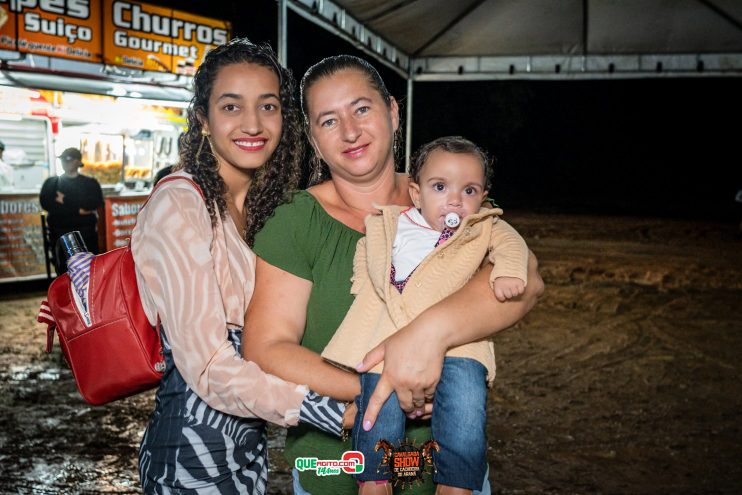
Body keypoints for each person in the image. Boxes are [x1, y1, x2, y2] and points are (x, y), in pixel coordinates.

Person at [243, 54, 543, 494]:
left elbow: (526, 280)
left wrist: (428, 335)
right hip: (336, 468)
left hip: (447, 469)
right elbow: (266, 346)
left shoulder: (446, 196)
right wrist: (382, 386)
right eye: (328, 120)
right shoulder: (296, 221)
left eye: (361, 109)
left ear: (393, 111)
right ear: (312, 137)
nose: (349, 131)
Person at [130, 38, 351, 494]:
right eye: (232, 107)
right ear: (203, 121)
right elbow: (210, 366)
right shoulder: (180, 204)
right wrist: (328, 406)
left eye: (267, 106)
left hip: (246, 450)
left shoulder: (258, 206)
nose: (253, 124)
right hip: (190, 458)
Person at [321, 136, 529, 494]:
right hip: (391, 331)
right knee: (375, 403)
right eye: (440, 187)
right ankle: (373, 479)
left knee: (465, 410)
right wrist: (361, 285)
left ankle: (457, 483)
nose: (454, 200)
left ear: (482, 196)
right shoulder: (394, 224)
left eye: (469, 190)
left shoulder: (482, 227)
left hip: (459, 342)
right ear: (417, 195)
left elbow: (512, 245)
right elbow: (368, 249)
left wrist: (509, 271)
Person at [39, 147, 104, 274]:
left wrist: (65, 200)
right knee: (63, 272)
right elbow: (46, 203)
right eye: (63, 159)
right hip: (59, 233)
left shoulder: (90, 183)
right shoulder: (51, 183)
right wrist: (79, 209)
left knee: (89, 270)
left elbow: (95, 202)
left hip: (86, 234)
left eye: (69, 159)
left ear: (79, 162)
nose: (66, 162)